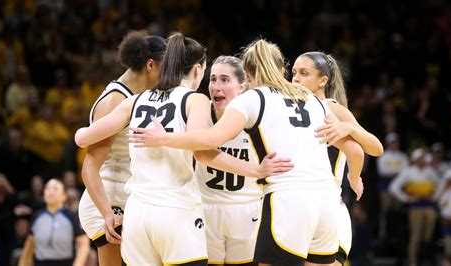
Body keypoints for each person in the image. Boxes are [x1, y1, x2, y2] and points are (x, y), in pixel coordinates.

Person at [128, 38, 365, 266]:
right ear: (281, 69)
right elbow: (356, 150)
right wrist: (354, 178)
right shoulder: (311, 98)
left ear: (247, 77)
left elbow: (209, 140)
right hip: (325, 200)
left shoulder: (252, 98)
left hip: (288, 197)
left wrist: (164, 138)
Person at [75, 33, 293, 265]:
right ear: (198, 70)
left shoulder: (136, 101)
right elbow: (202, 150)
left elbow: (82, 138)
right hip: (175, 211)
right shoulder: (195, 101)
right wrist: (256, 171)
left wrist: (82, 130)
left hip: (137, 213)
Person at [77, 30, 166, 266]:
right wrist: (107, 213)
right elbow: (89, 166)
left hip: (125, 194)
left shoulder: (139, 95)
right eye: (164, 69)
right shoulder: (114, 100)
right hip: (108, 199)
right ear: (150, 65)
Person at [291, 51, 384, 266]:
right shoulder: (292, 108)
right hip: (300, 203)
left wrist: (349, 128)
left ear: (323, 81)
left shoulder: (331, 107)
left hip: (327, 204)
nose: (296, 78)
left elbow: (375, 148)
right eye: (294, 72)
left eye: (304, 73)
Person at [196, 55, 262, 265]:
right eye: (213, 79)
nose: (216, 86)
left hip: (246, 208)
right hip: (205, 206)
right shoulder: (199, 111)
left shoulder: (256, 115)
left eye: (225, 80)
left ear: (242, 87)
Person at [18, 179, 89, 266]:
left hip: (65, 263)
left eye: (55, 188)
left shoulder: (72, 217)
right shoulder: (37, 217)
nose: (50, 191)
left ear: (64, 196)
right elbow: (28, 248)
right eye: (47, 188)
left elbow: (83, 243)